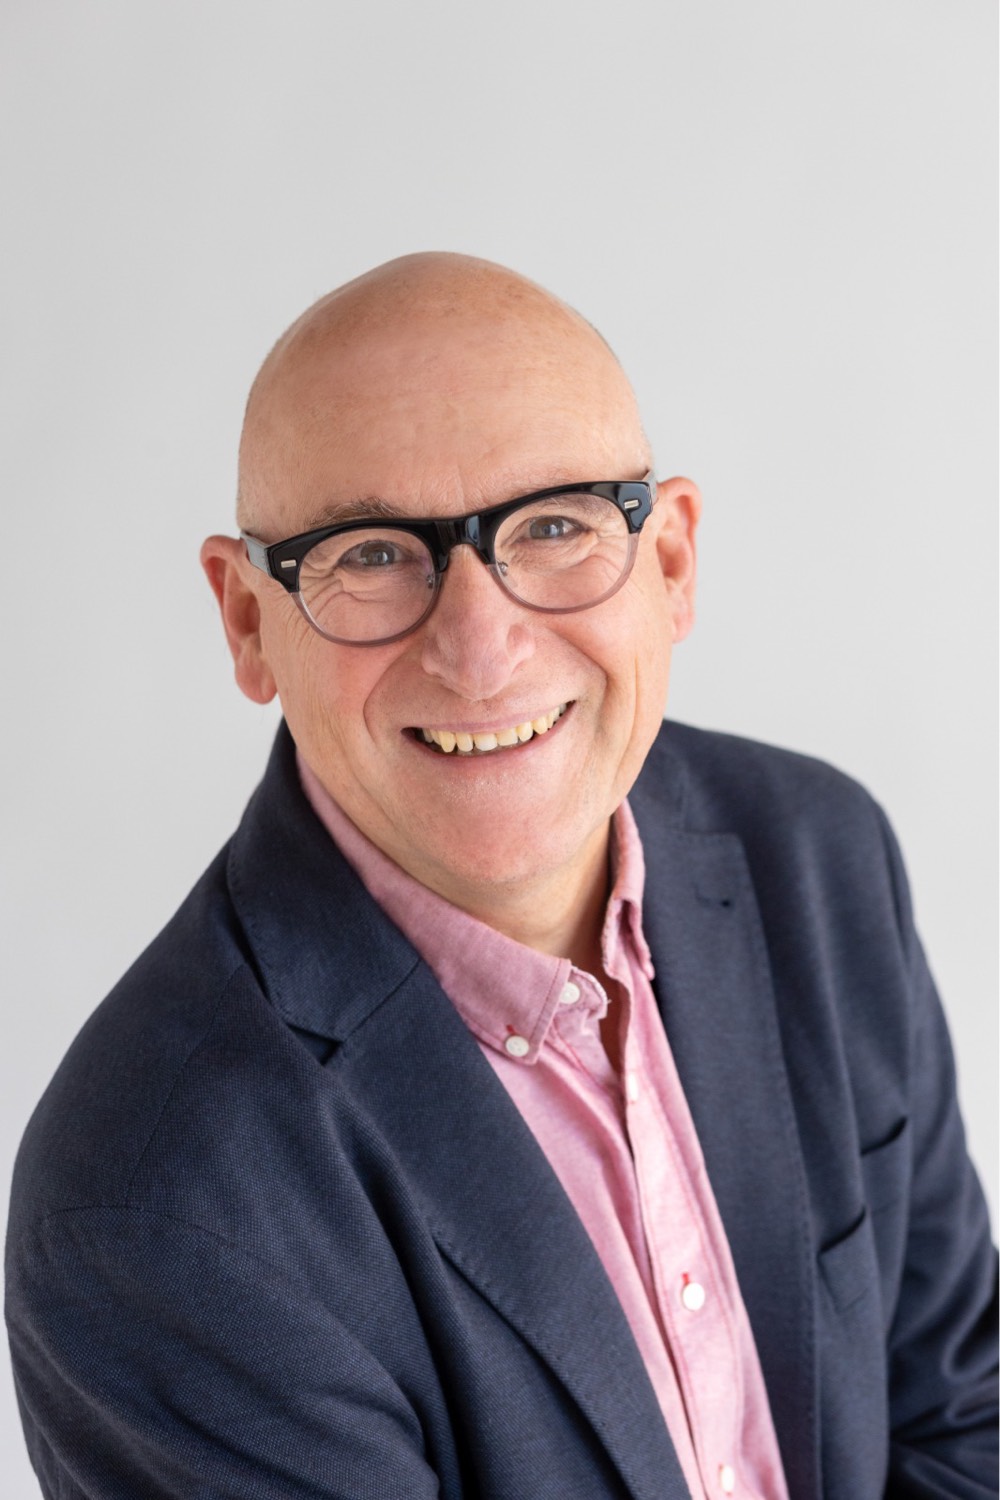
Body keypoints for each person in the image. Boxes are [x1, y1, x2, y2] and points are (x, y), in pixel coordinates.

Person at [6, 253, 996, 1499]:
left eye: (555, 525)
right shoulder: (155, 1204)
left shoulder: (817, 860)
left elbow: (965, 1422)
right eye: (371, 553)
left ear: (672, 562)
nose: (479, 650)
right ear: (249, 622)